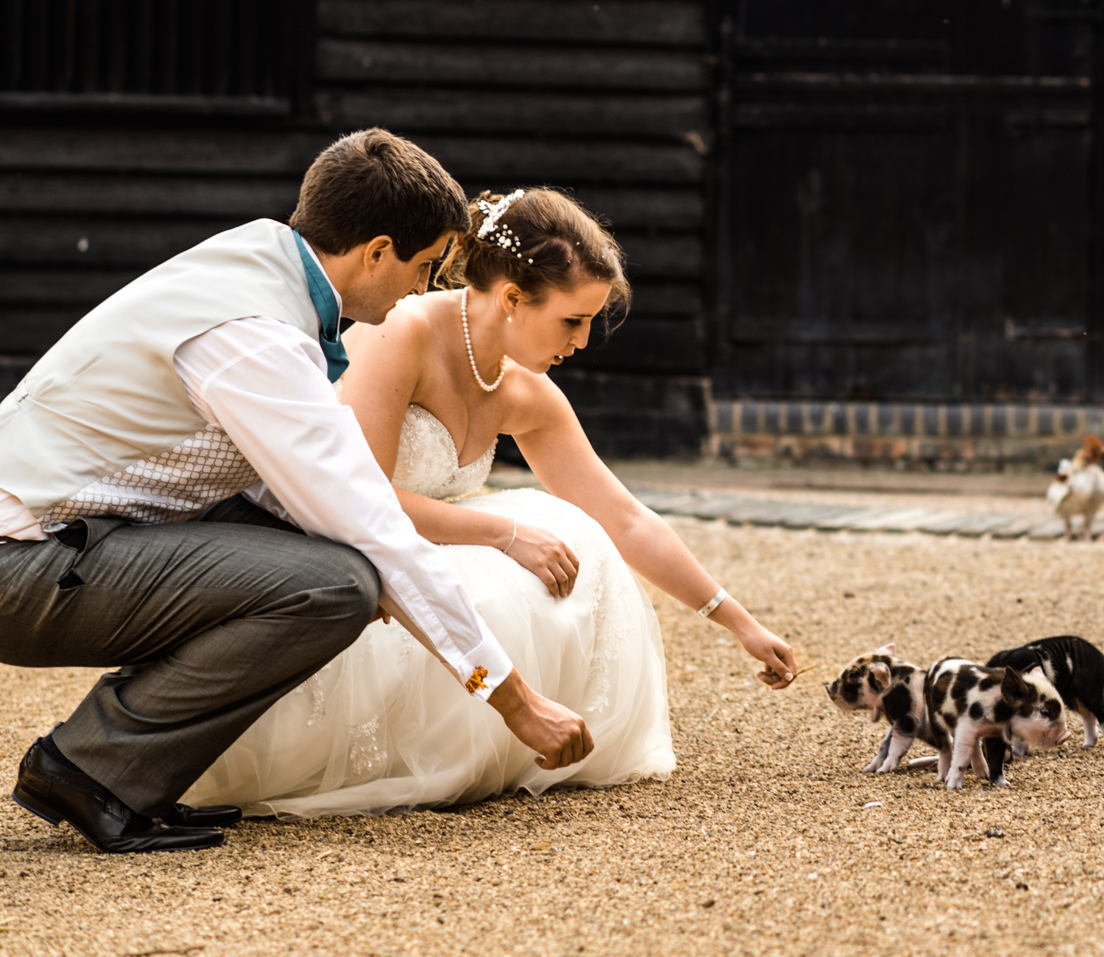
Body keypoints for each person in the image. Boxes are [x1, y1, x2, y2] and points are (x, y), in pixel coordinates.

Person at [0, 131, 592, 853]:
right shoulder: (257, 333)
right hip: (20, 564)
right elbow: (368, 519)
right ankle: (92, 768)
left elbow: (295, 500)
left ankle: (112, 770)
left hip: (63, 538)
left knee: (329, 561)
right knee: (335, 584)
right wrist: (515, 702)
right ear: (375, 251)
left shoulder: (252, 260)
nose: (424, 287)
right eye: (425, 265)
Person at [187, 187, 794, 816]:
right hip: (341, 554)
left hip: (419, 543)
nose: (582, 342)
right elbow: (355, 499)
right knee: (513, 545)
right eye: (572, 321)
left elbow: (625, 517)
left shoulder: (521, 388)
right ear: (511, 298)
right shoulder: (404, 332)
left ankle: (504, 743)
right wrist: (500, 532)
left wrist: (737, 621)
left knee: (575, 534)